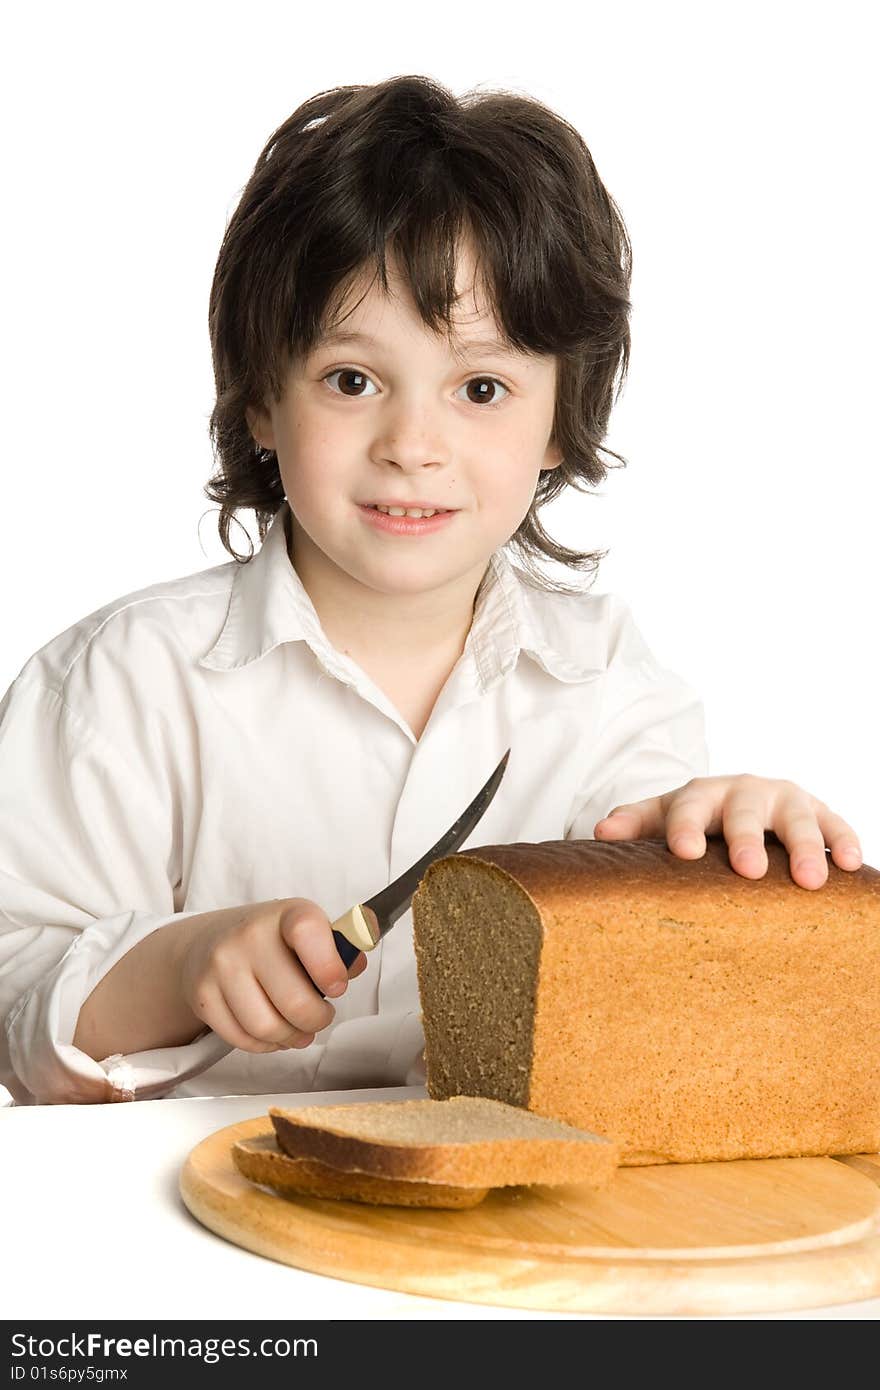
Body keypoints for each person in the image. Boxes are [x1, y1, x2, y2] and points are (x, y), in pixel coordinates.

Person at [0, 76, 862, 1106]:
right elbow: (16, 1012)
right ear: (263, 400)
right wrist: (182, 967)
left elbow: (647, 991)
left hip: (489, 1246)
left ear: (556, 426)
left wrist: (722, 850)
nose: (413, 447)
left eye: (481, 389)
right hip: (179, 1235)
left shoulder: (610, 693)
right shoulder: (116, 685)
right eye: (351, 380)